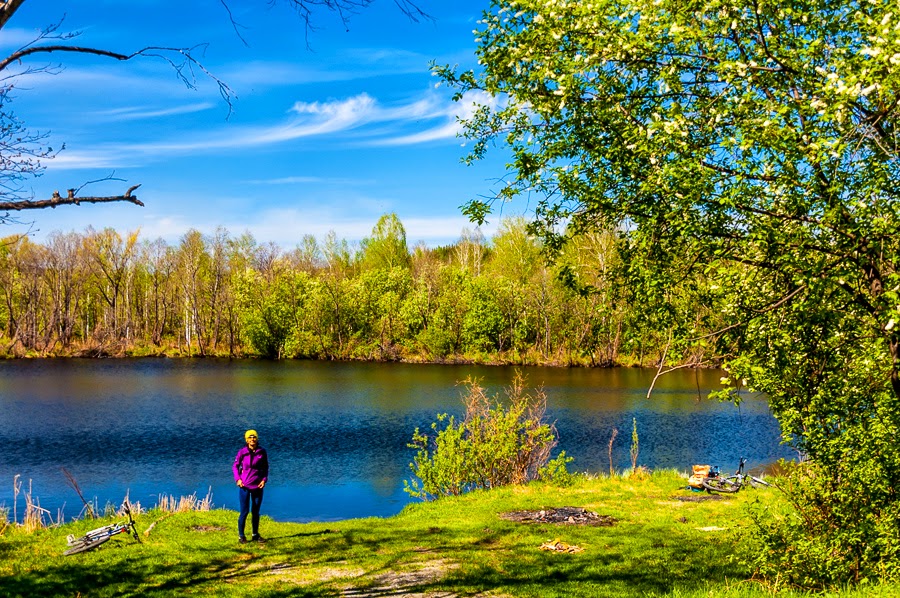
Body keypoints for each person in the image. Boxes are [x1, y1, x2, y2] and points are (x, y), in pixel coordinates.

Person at [232, 429, 269, 544]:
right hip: (245, 486)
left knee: (256, 511)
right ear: (246, 440)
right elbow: (235, 466)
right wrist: (238, 479)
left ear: (257, 439)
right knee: (244, 511)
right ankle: (241, 536)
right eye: (250, 437)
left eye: (254, 437)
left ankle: (255, 534)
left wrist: (264, 480)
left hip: (258, 486)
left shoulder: (262, 452)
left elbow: (265, 468)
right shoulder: (242, 452)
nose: (252, 439)